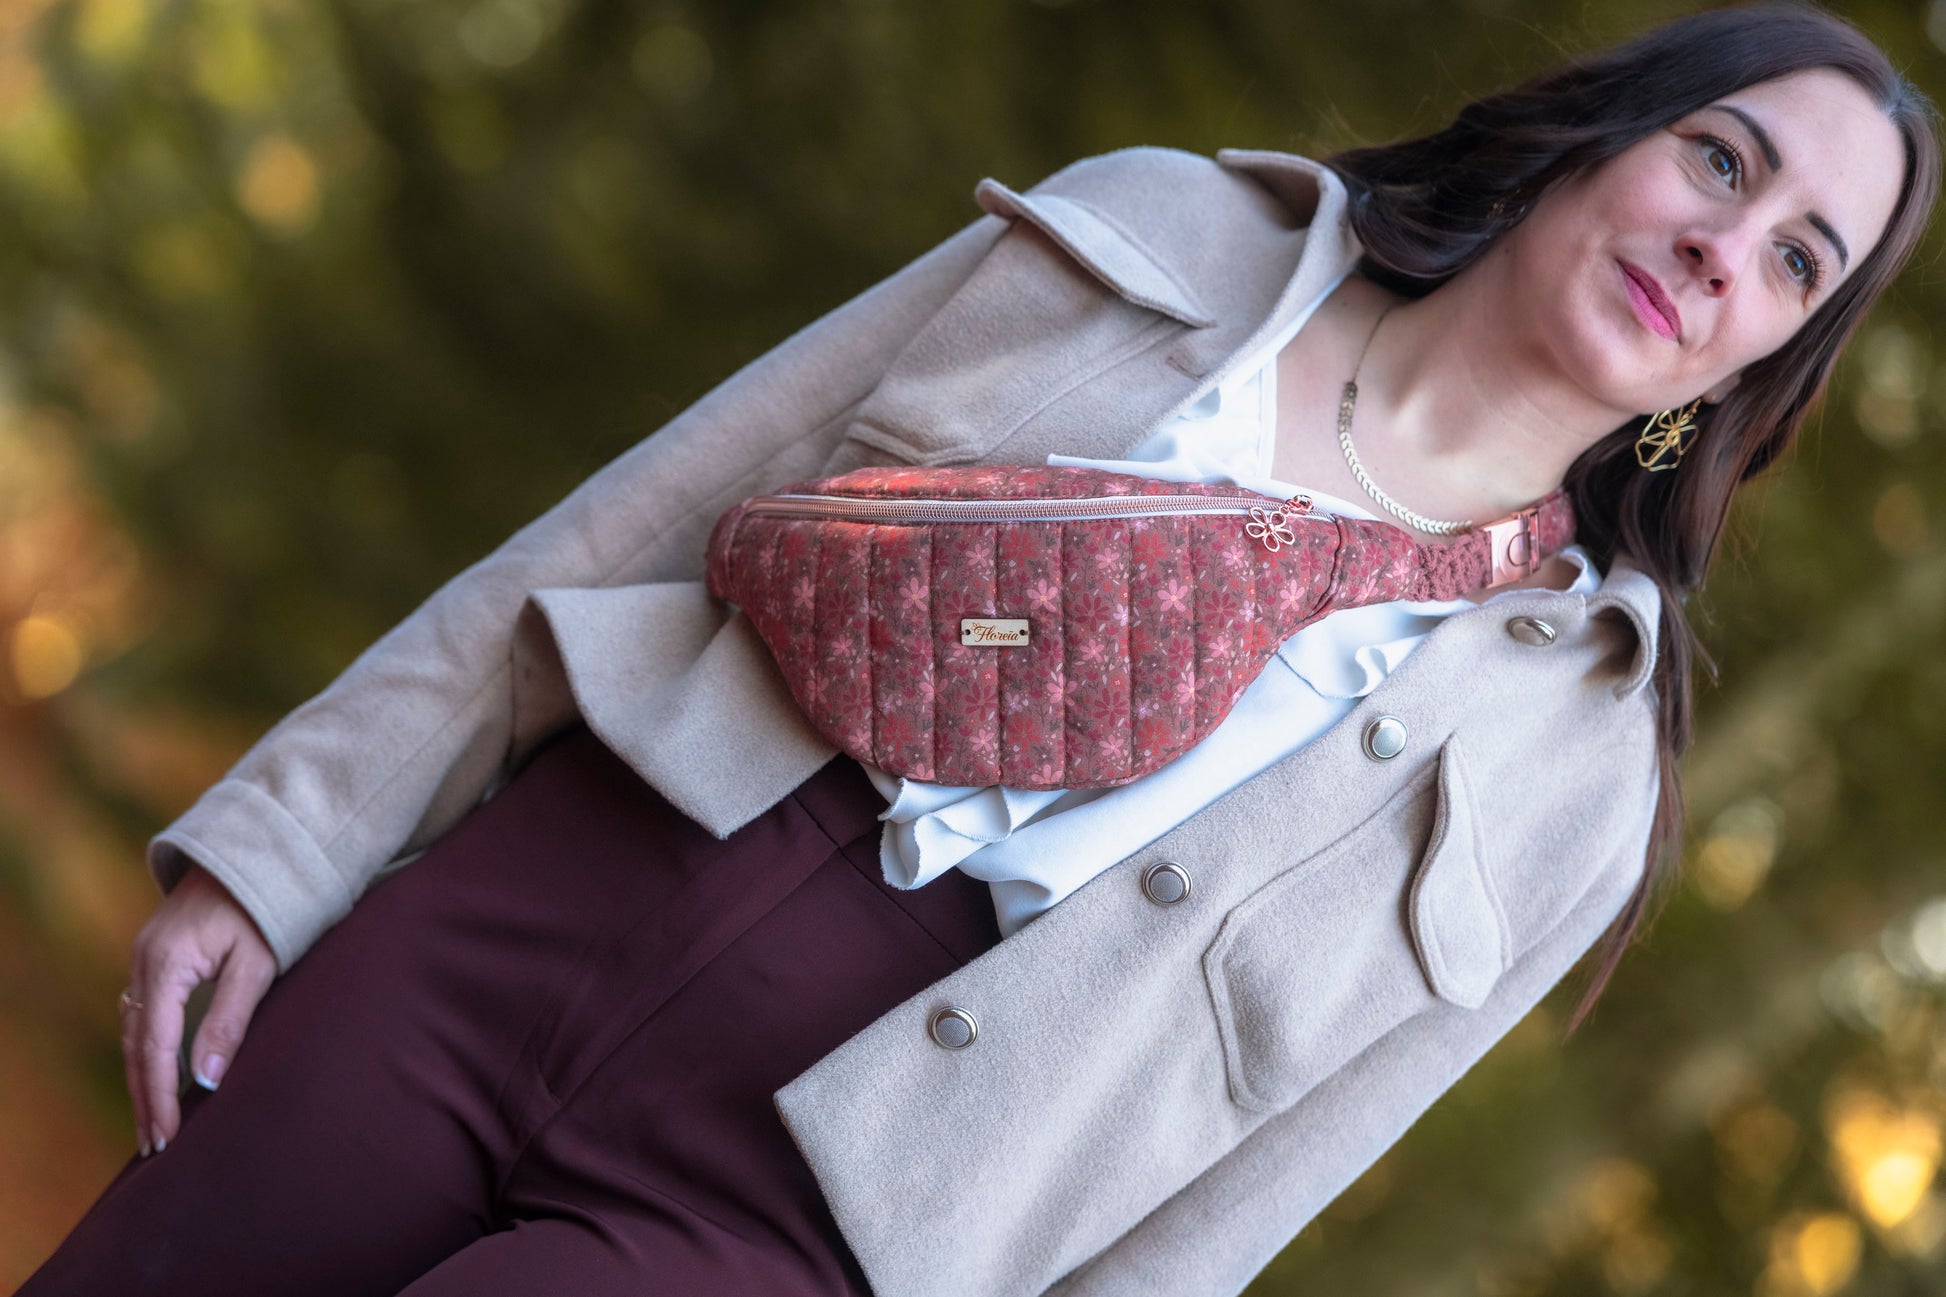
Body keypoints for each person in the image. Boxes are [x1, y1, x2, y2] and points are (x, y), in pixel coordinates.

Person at [22, 3, 1939, 1294]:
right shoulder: (1155, 236)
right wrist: (283, 844)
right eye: (1721, 161)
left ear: (1760, 364)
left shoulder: (1573, 765)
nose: (1728, 243)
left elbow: (1228, 1208)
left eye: (1797, 260)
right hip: (534, 912)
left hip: (808, 1225)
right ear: (1603, 139)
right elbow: (645, 515)